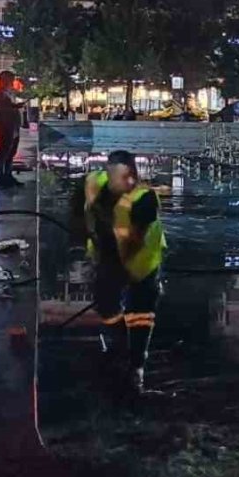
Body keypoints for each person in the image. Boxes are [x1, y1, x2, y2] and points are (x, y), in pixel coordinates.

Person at [83, 150, 167, 395]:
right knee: (106, 305)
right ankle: (120, 346)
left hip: (143, 263)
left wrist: (119, 270)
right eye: (114, 177)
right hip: (109, 258)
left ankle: (137, 365)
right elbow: (91, 181)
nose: (120, 183)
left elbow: (135, 241)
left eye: (126, 178)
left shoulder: (145, 201)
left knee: (140, 314)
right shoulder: (100, 182)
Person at [0, 71, 24, 187]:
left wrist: (16, 106)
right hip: (6, 126)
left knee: (11, 152)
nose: (12, 83)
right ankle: (1, 179)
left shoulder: (6, 92)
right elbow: (3, 109)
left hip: (13, 126)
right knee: (4, 152)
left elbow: (9, 106)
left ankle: (8, 176)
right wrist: (15, 107)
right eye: (11, 80)